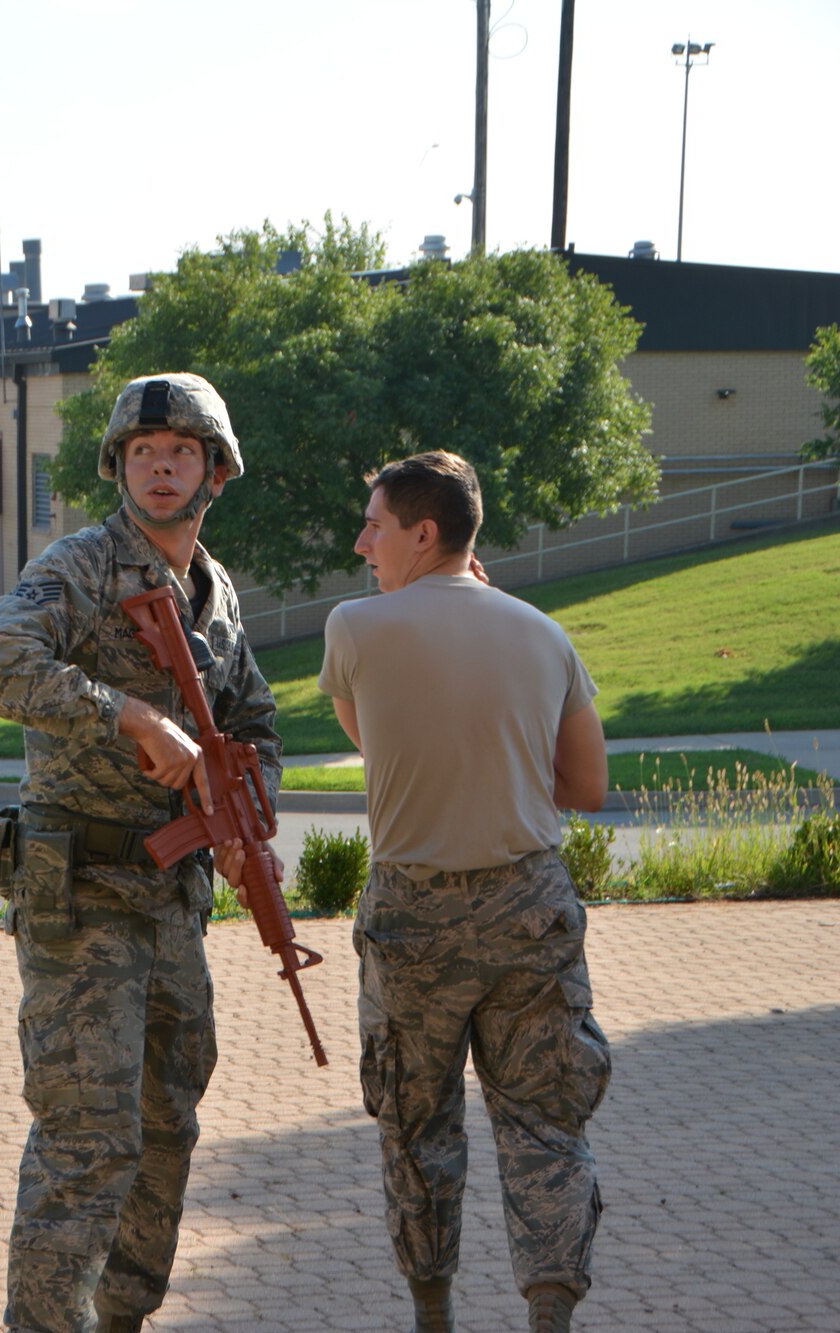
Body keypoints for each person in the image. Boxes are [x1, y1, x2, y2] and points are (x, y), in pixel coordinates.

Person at [0, 373, 282, 1333]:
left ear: (215, 472)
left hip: (172, 897)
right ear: (117, 466)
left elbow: (255, 721)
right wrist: (130, 716)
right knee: (85, 1140)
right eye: (143, 453)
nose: (159, 467)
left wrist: (241, 814)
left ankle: (121, 1318)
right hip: (84, 896)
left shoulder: (215, 592)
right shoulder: (80, 566)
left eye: (180, 452)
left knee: (165, 1131)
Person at [311, 451, 612, 1333]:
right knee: (546, 1126)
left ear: (423, 532)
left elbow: (381, 743)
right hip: (532, 908)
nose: (363, 541)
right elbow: (586, 785)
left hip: (415, 918)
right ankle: (551, 1313)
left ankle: (432, 1314)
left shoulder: (354, 628)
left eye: (375, 524)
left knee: (417, 1126)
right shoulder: (544, 633)